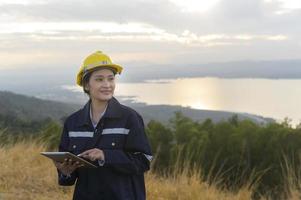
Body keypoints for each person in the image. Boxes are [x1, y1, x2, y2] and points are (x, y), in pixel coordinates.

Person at [54, 51, 153, 200]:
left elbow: (144, 161)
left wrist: (105, 155)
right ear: (87, 85)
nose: (107, 85)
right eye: (99, 79)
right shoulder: (73, 123)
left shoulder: (129, 118)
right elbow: (68, 178)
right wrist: (66, 171)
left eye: (111, 79)